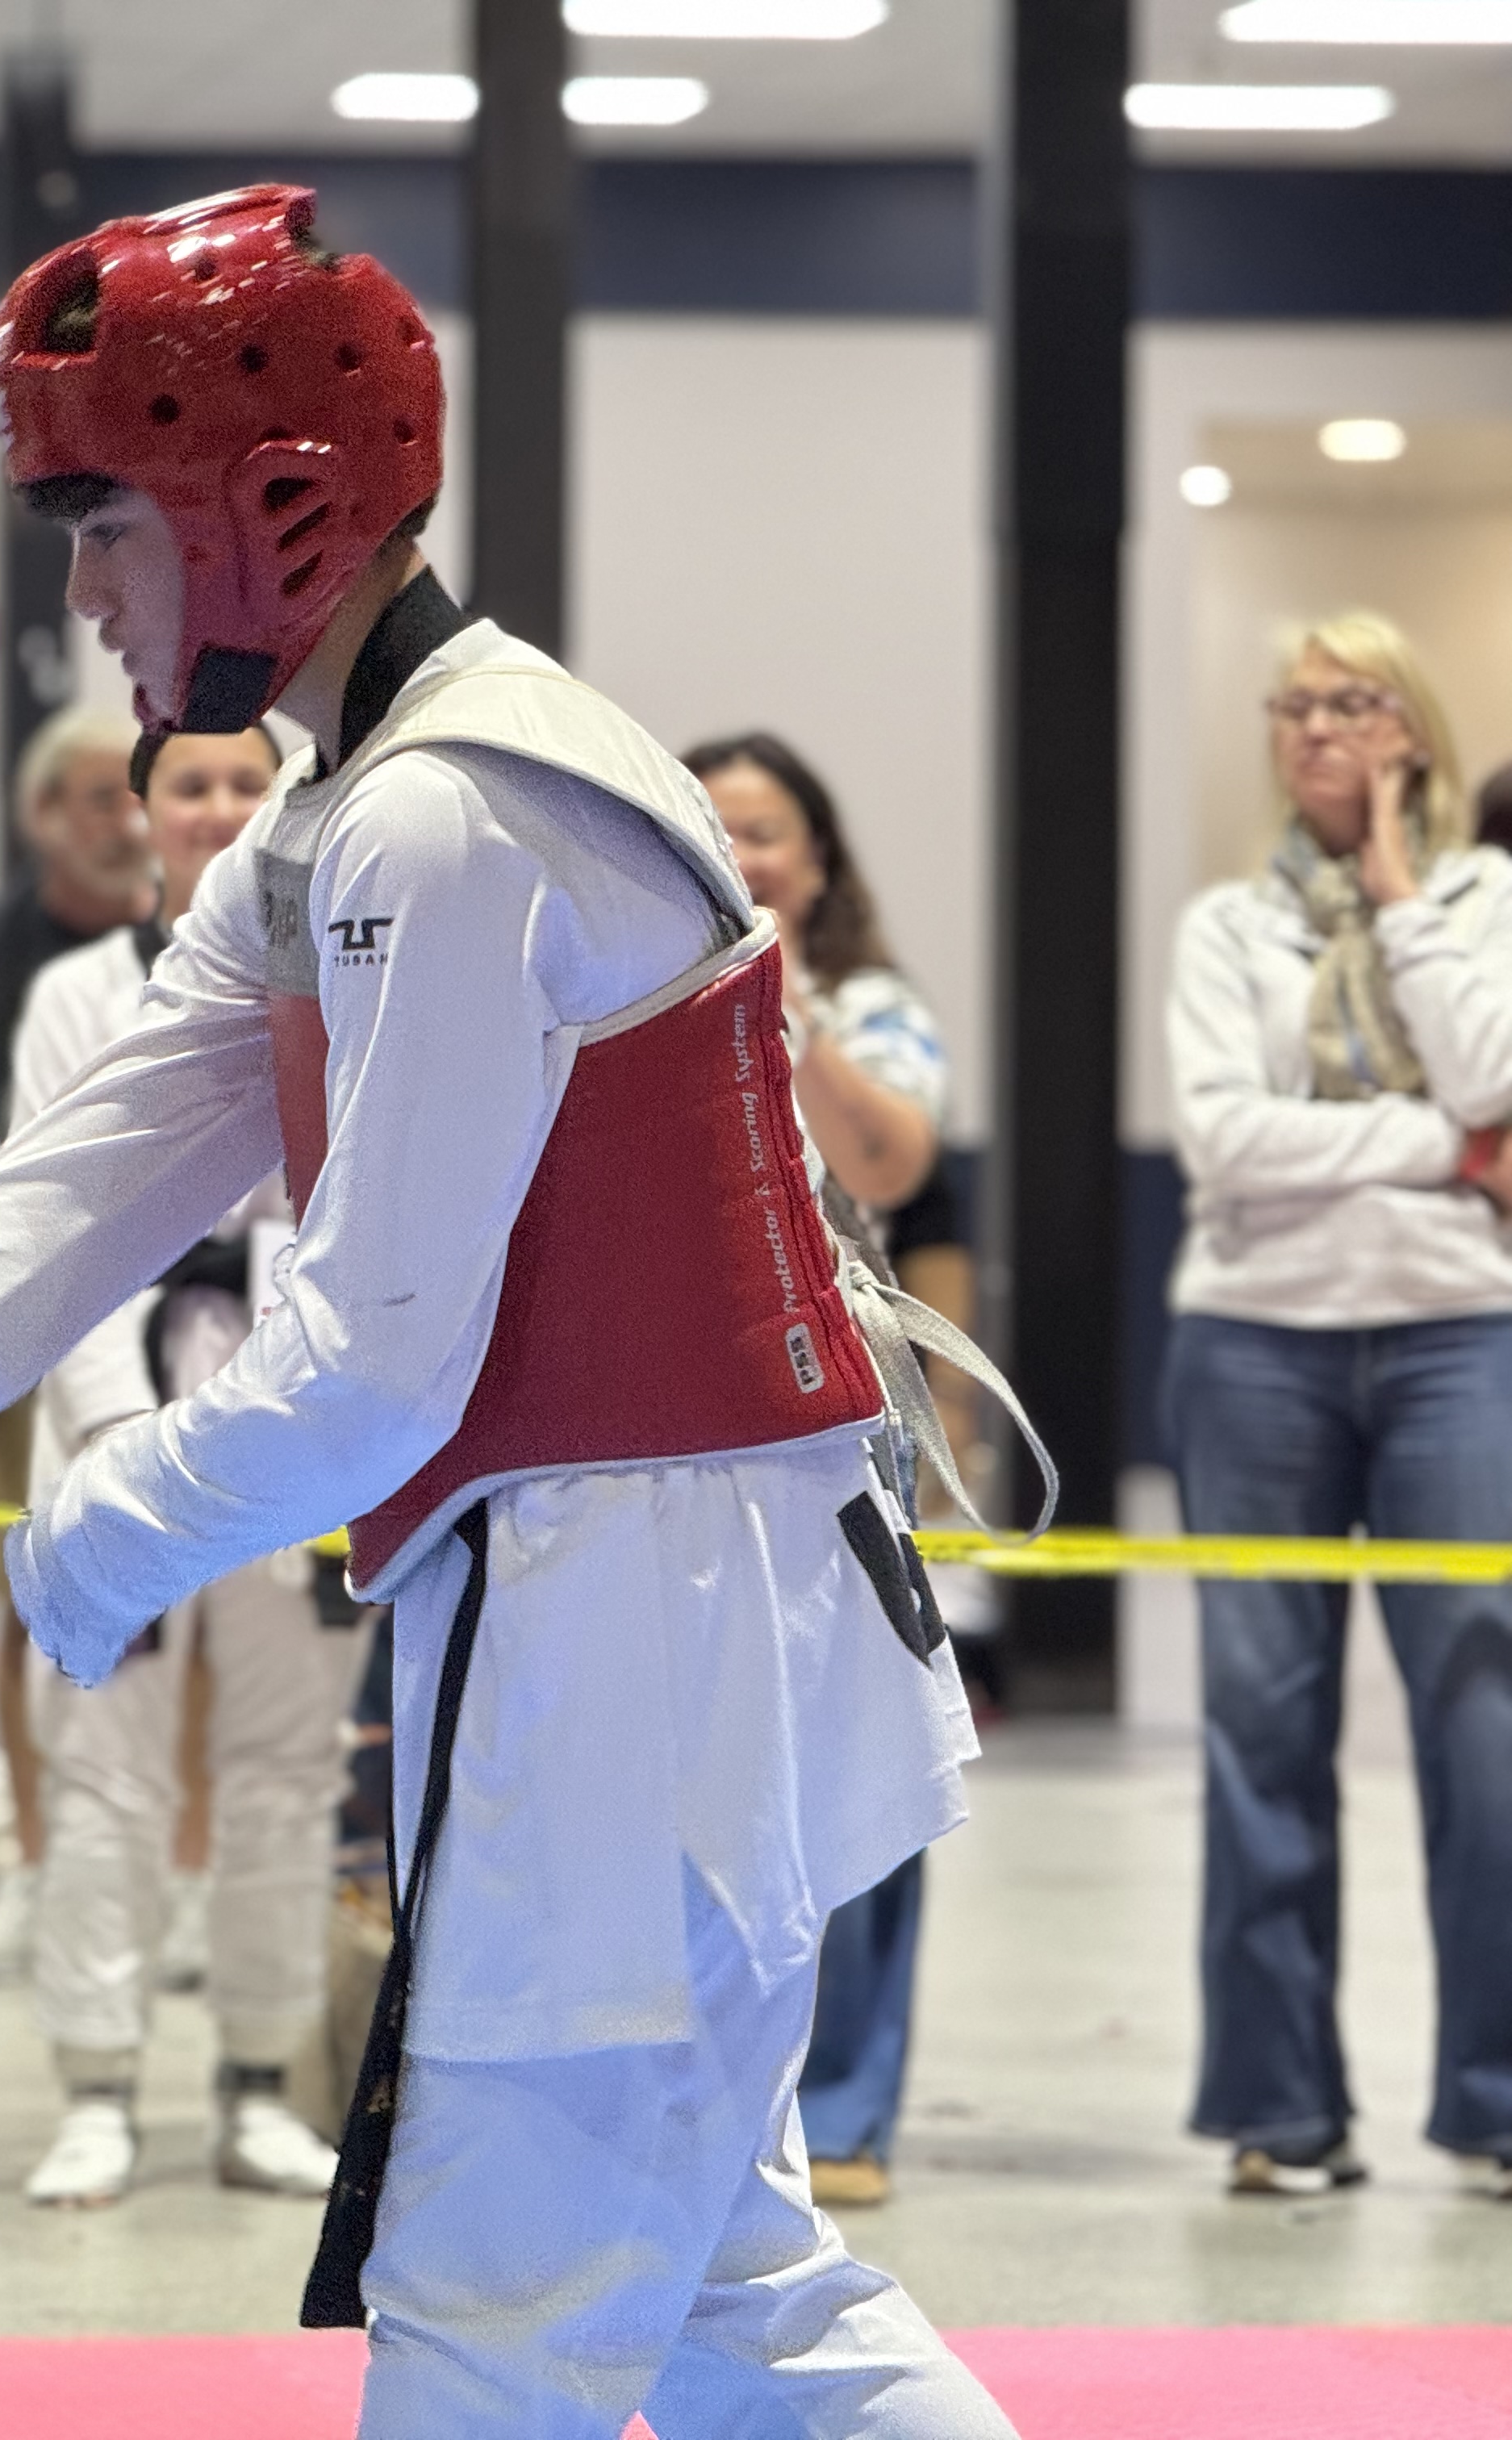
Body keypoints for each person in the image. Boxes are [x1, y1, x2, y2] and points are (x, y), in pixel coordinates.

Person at [0, 185, 1017, 2438]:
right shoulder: (356, 805)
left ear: (265, 506)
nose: (83, 598)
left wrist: (106, 1532)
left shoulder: (451, 815)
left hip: (633, 1628)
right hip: (656, 1605)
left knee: (496, 2307)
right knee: (723, 2292)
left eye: (108, 530)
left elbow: (376, 1358)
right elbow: (54, 1206)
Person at [1167, 609, 1512, 2200]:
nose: (1315, 727)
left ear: (1412, 733)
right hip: (1254, 1342)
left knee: (1487, 1722)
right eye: (1293, 704)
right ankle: (1282, 2107)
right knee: (1261, 1728)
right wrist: (1446, 1148)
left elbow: (1493, 1069)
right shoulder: (1224, 926)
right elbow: (1227, 1141)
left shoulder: (1487, 900)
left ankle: (1496, 2102)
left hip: (1464, 1337)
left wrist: (1402, 902)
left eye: (1353, 700)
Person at [0, 721, 360, 2208]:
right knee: (105, 1760)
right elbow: (54, 1218)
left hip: (294, 1400)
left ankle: (262, 2080)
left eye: (247, 784)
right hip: (117, 1386)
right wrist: (108, 1439)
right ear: (144, 813)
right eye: (189, 786)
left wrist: (323, 1413)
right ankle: (96, 2085)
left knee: (288, 1762)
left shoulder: (348, 974)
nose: (219, 809)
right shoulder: (77, 995)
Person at [691, 730, 951, 2214]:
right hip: (671, 1420)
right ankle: (711, 2096)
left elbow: (897, 1165)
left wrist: (777, 997)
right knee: (692, 1752)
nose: (741, 855)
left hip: (847, 1410)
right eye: (713, 827)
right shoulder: (617, 988)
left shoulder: (874, 1007)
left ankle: (845, 2100)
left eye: (768, 832)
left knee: (870, 1749)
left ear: (820, 859)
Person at [0, 705, 150, 1987]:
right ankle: (35, 1858)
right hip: (21, 1315)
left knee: (200, 1610)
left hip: (175, 1310)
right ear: (39, 818)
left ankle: (175, 1875)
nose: (125, 821)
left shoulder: (208, 939)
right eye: (95, 798)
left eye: (138, 792)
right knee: (36, 1583)